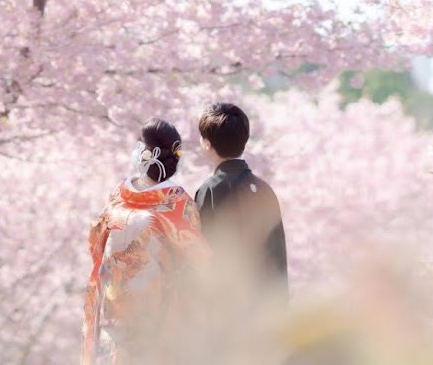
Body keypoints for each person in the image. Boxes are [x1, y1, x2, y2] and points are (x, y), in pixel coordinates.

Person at [84, 118, 205, 364]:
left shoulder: (120, 195)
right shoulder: (177, 203)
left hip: (121, 303)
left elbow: (96, 241)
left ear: (145, 153)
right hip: (147, 305)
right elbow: (199, 257)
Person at [194, 102, 288, 298]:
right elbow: (277, 253)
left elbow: (202, 253)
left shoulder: (210, 190)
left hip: (227, 307)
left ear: (207, 144)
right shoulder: (265, 189)